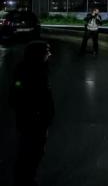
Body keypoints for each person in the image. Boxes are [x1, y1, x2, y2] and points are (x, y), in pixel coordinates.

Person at [9, 40, 54, 186]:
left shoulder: (40, 69)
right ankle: (24, 180)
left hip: (39, 121)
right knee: (29, 153)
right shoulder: (26, 72)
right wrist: (35, 114)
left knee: (35, 152)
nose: (50, 54)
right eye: (47, 52)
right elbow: (16, 96)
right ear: (38, 54)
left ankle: (27, 178)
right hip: (32, 121)